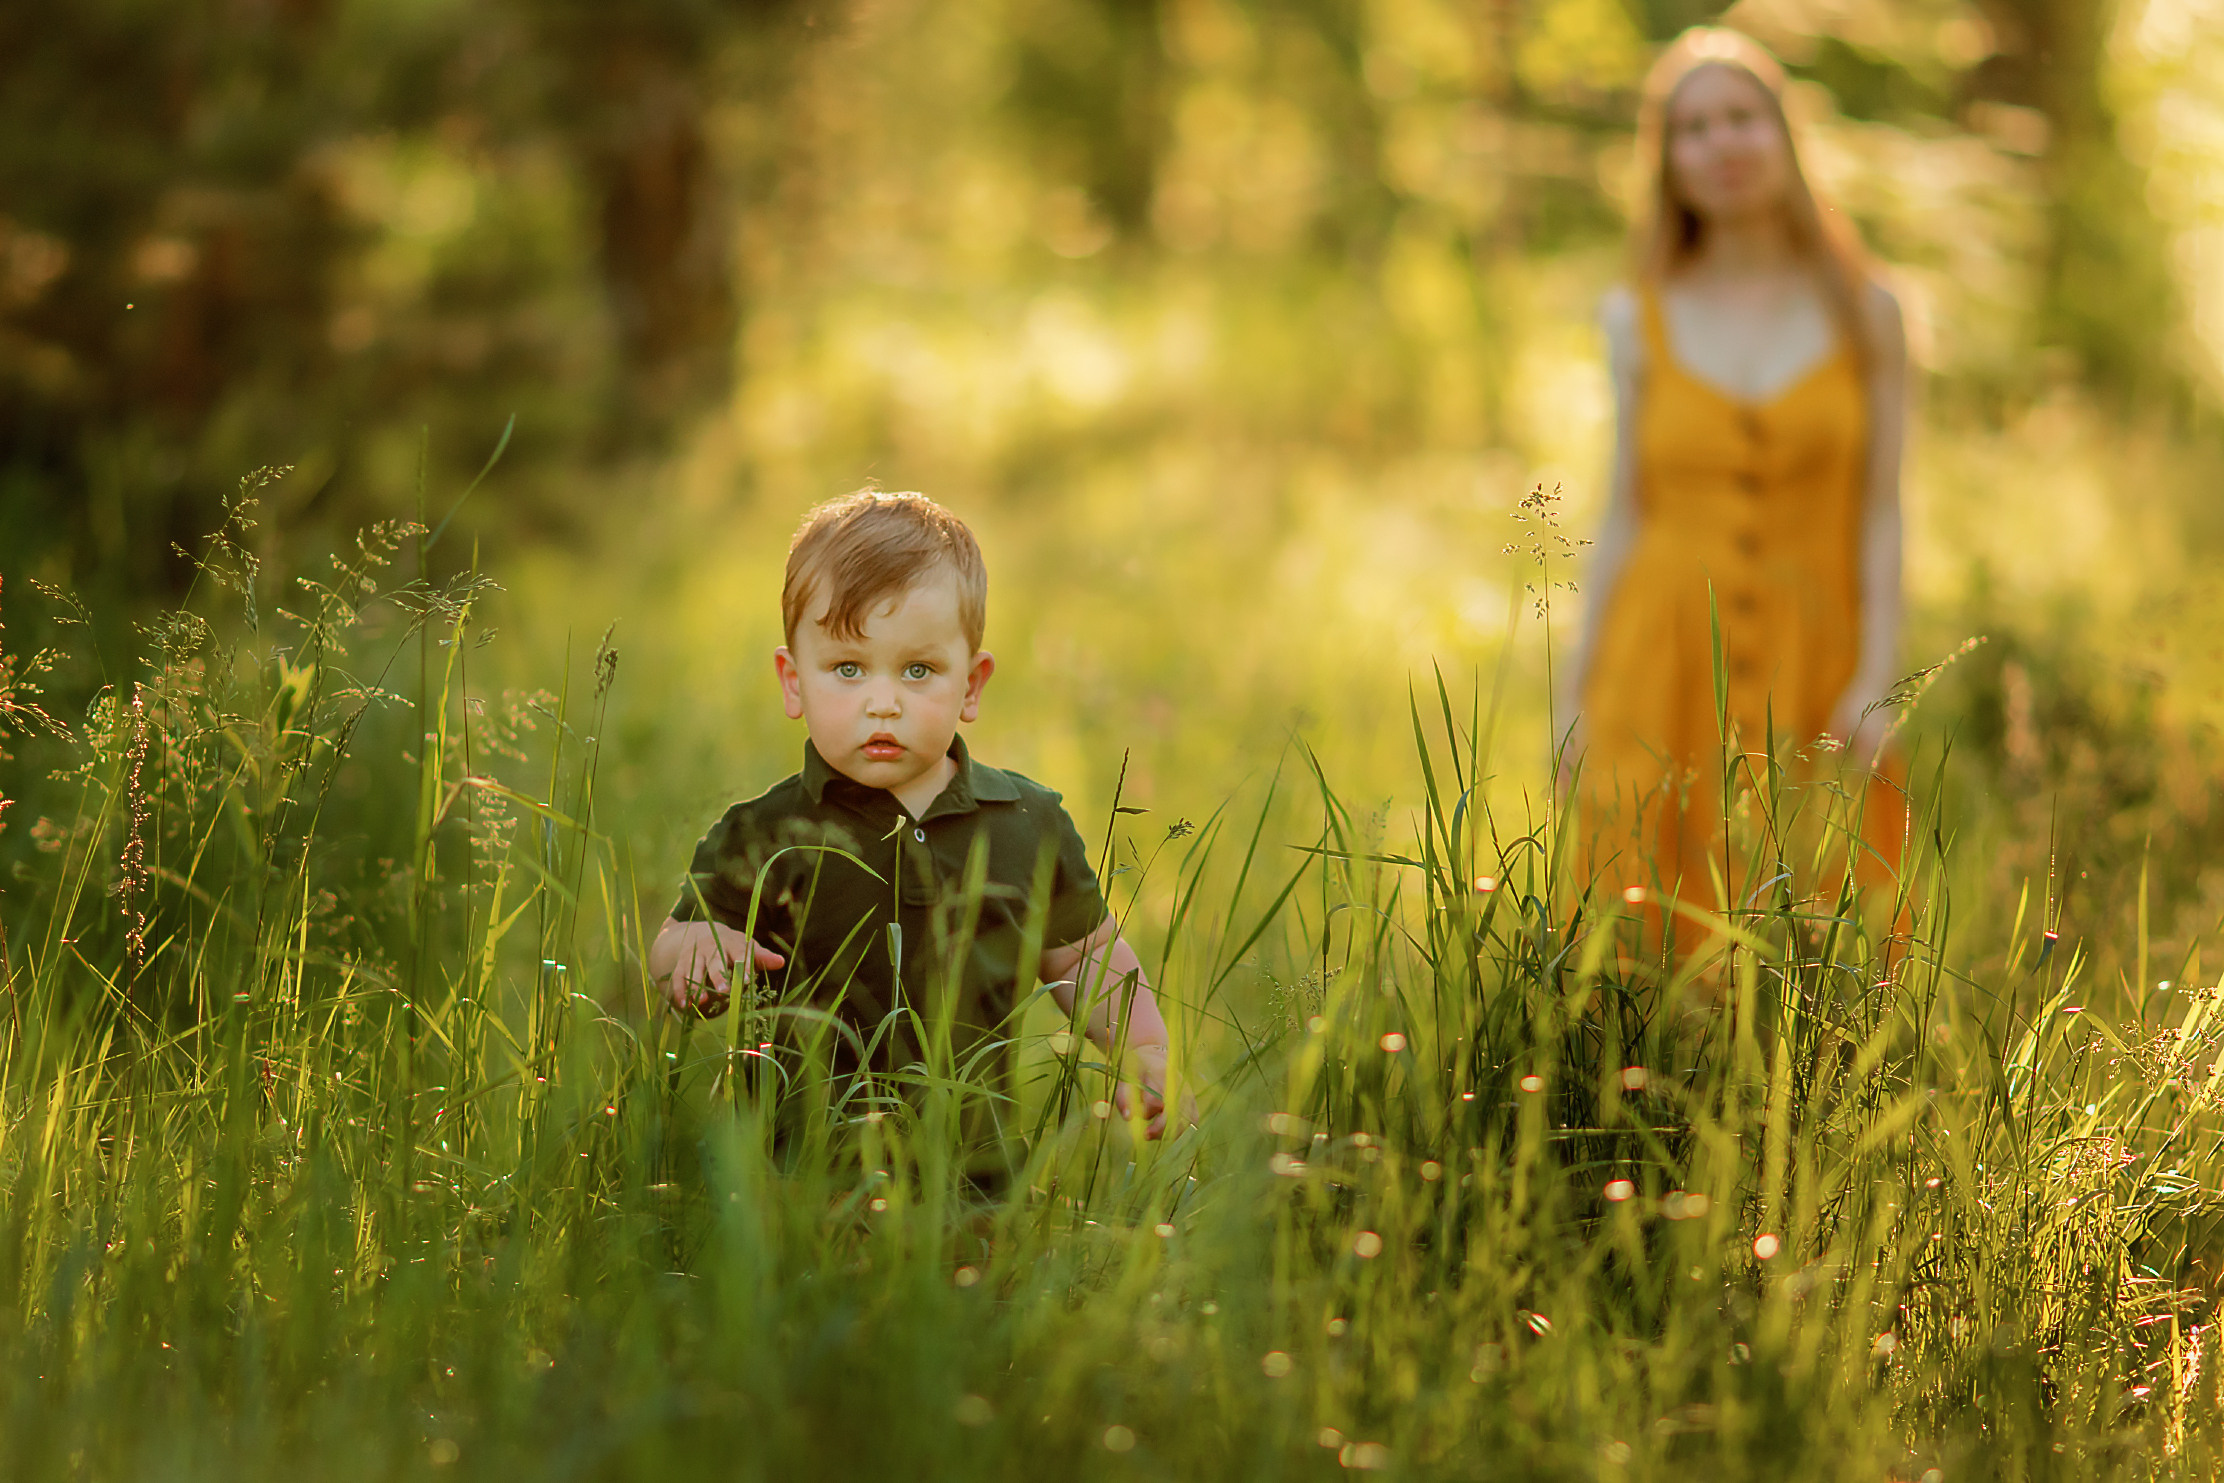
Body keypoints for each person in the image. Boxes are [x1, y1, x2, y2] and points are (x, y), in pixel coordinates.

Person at [647, 490, 1188, 1154]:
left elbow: (1088, 958)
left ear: (971, 685)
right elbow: (671, 940)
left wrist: (1146, 1053)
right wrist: (695, 948)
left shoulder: (1026, 823)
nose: (882, 702)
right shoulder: (764, 831)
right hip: (794, 1181)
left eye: (918, 670)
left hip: (975, 1182)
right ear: (794, 681)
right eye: (847, 668)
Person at [1562, 27, 1908, 913]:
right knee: (1644, 916)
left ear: (1785, 135)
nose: (1722, 145)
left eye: (1742, 118)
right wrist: (1576, 693)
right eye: (1694, 128)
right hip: (1661, 657)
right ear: (1667, 159)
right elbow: (1624, 512)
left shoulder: (1867, 312)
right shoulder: (1635, 317)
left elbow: (1880, 511)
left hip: (1817, 654)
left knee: (1823, 918)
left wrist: (1877, 677)